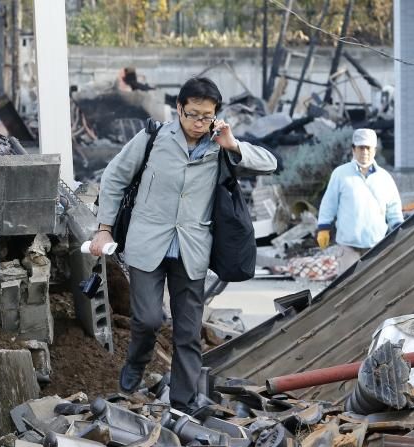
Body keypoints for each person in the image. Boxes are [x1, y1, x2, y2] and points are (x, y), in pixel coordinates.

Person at [90, 77, 277, 413]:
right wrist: (103, 229)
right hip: (147, 243)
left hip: (192, 248)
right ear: (178, 109)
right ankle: (136, 362)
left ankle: (183, 403)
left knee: (188, 332)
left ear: (216, 116)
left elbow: (270, 163)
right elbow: (114, 177)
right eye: (192, 114)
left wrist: (233, 144)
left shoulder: (220, 145)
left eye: (206, 116)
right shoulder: (153, 137)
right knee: (147, 319)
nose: (197, 123)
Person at [316, 128, 404, 253]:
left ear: (375, 150)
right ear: (353, 149)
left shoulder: (385, 178)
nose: (365, 152)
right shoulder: (340, 174)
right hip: (347, 246)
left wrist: (399, 230)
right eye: (361, 148)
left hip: (377, 246)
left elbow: (394, 210)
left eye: (368, 148)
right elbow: (329, 203)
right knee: (348, 273)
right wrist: (323, 228)